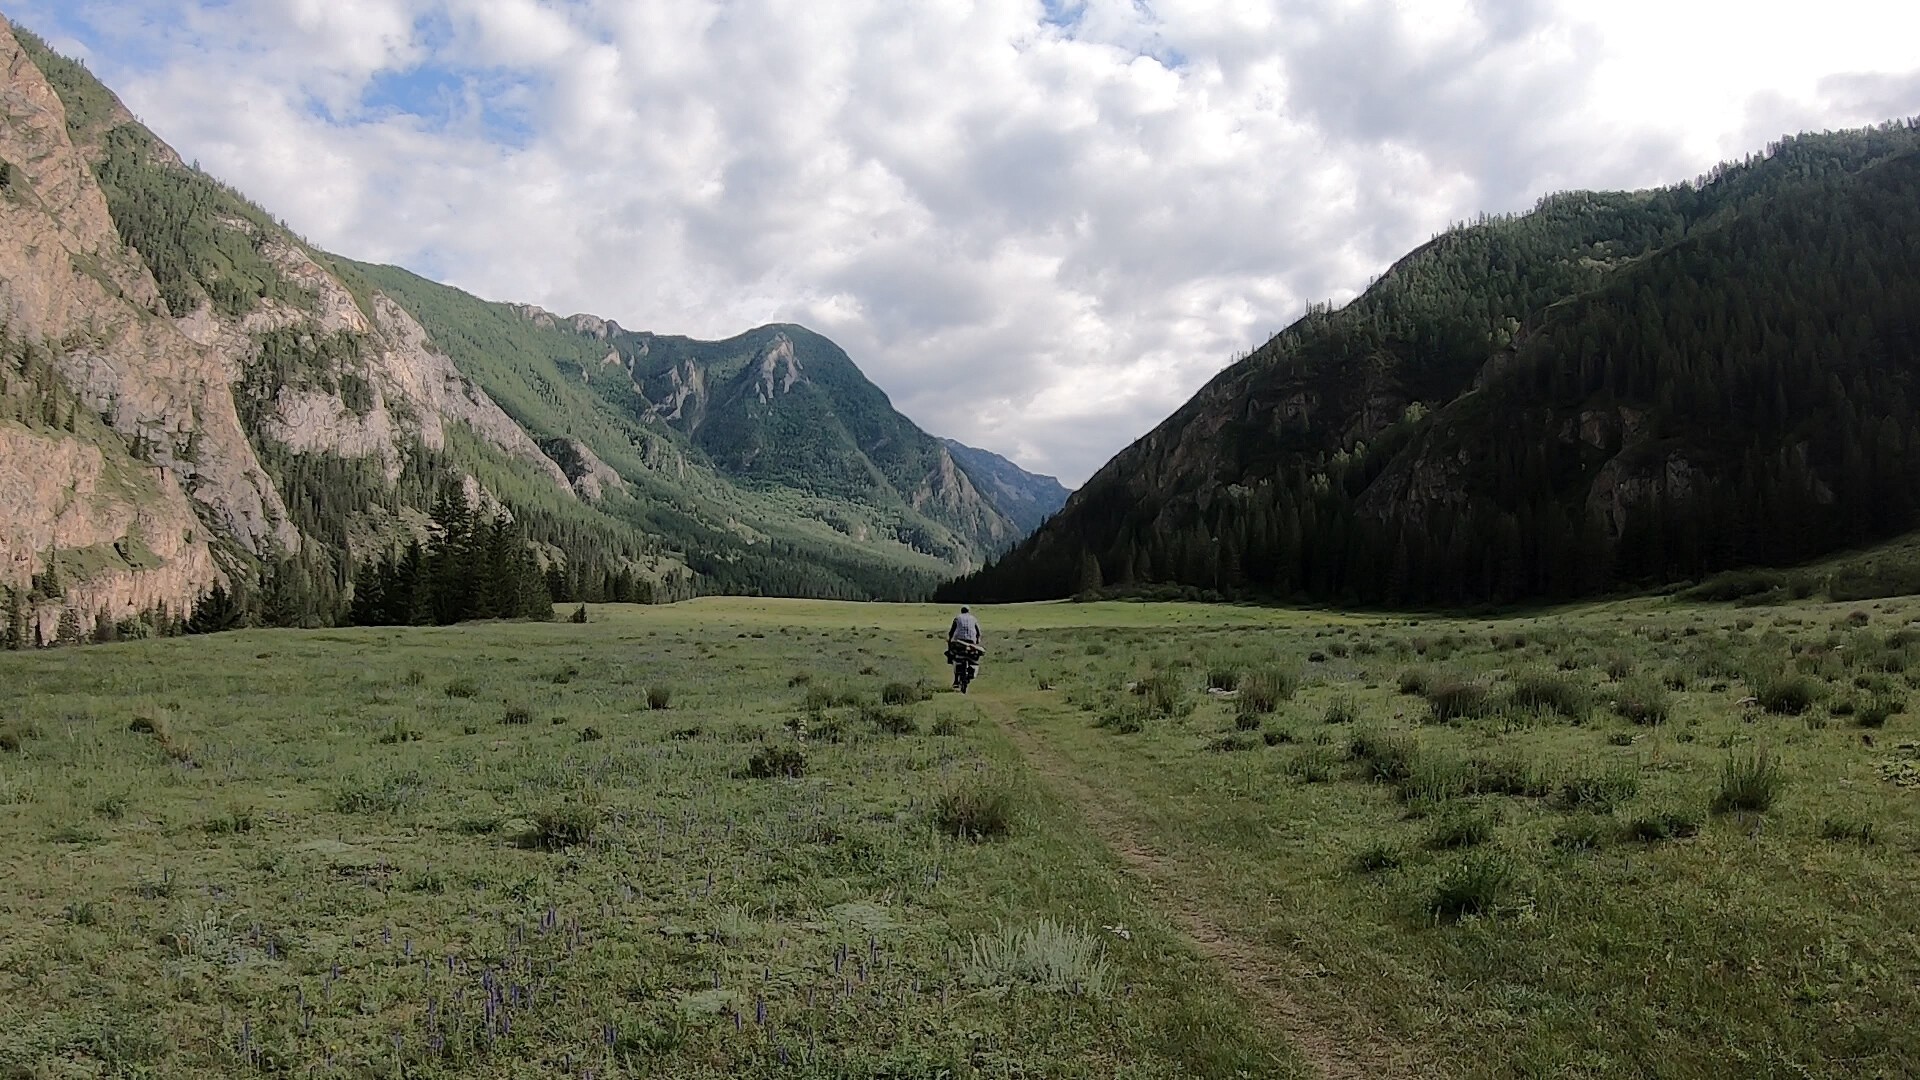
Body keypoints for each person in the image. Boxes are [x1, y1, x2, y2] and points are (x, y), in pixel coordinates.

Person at [947, 606, 983, 690]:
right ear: (969, 611)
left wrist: (950, 640)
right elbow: (978, 632)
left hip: (959, 641)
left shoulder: (957, 618)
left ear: (961, 611)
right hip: (971, 642)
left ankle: (956, 679)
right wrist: (977, 640)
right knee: (973, 657)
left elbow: (951, 631)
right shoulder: (973, 619)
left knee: (955, 656)